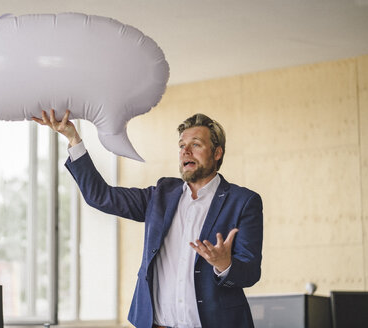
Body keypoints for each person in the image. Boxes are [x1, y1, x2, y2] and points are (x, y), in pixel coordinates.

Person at [33, 110, 263, 328]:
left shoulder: (243, 202)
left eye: (196, 145)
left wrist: (225, 265)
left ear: (217, 153)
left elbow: (250, 273)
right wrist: (73, 139)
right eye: (182, 145)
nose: (185, 151)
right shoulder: (161, 195)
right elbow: (100, 196)